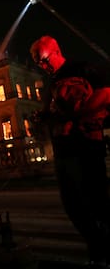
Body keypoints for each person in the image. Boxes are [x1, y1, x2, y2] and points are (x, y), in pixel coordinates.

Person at [30, 35, 110, 268]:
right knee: (73, 206)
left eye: (44, 60)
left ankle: (103, 251)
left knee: (97, 203)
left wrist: (75, 113)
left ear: (56, 51)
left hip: (86, 146)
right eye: (38, 63)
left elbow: (106, 94)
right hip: (63, 151)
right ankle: (98, 251)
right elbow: (55, 110)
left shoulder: (82, 68)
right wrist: (43, 117)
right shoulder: (52, 82)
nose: (43, 66)